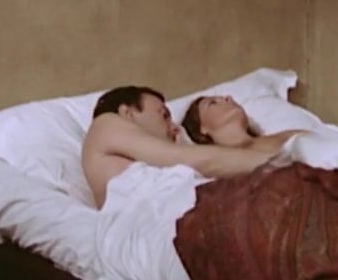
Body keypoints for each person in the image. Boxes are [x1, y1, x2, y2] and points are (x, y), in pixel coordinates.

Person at [81, 86, 281, 209]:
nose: (175, 128)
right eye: (164, 115)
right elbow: (197, 160)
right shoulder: (104, 125)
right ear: (127, 114)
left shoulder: (149, 161)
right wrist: (281, 161)